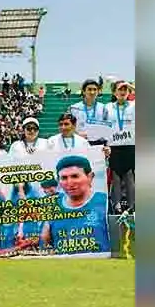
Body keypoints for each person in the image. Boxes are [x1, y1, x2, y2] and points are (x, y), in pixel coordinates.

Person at [42, 155, 110, 254]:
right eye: (64, 178)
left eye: (75, 176)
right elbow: (45, 243)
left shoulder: (105, 202)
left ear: (90, 177)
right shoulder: (52, 206)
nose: (70, 182)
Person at [104, 80, 135, 213]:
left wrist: (130, 85)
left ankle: (132, 206)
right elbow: (103, 126)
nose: (122, 92)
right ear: (114, 92)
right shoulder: (108, 107)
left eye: (125, 89)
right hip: (114, 146)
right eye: (120, 89)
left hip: (130, 145)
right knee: (115, 177)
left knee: (129, 176)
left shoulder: (134, 105)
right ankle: (116, 206)